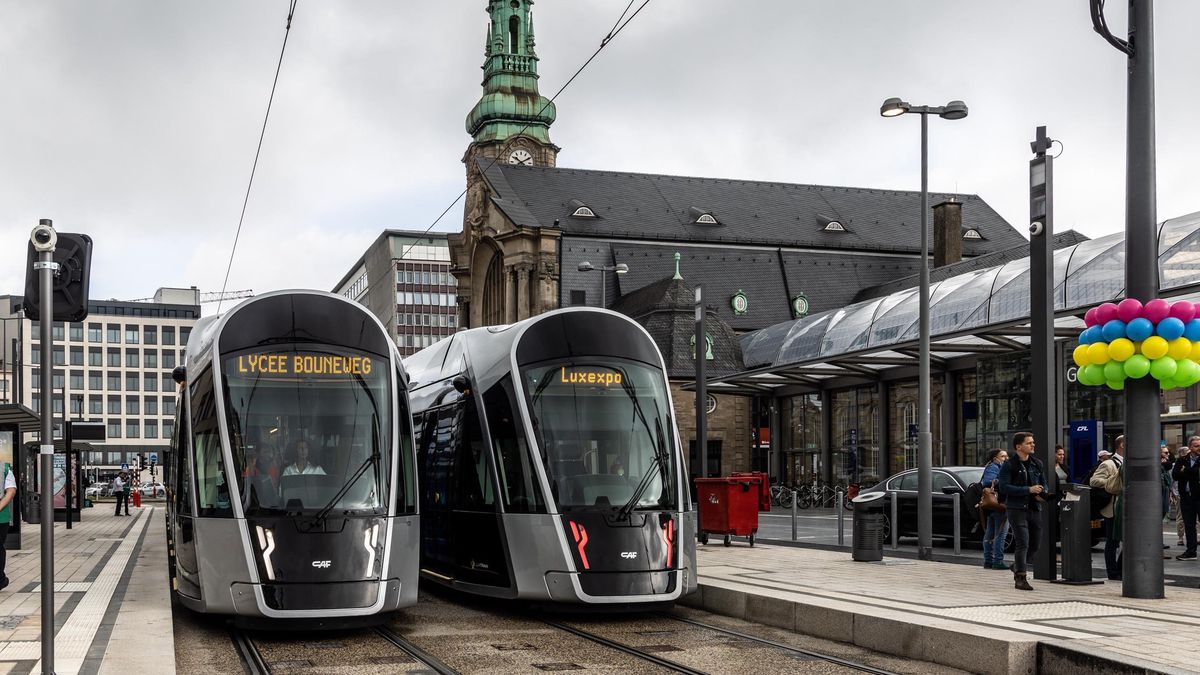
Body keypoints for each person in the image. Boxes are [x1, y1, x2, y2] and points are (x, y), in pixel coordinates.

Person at [997, 431, 1048, 591]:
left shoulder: (1037, 463)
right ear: (1019, 446)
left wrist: (1042, 492)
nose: (1033, 445)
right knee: (1022, 543)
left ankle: (1017, 565)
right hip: (1016, 508)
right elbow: (1004, 487)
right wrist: (1028, 489)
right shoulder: (1009, 464)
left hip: (1034, 508)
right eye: (1029, 443)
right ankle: (1021, 578)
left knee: (1035, 544)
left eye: (1033, 442)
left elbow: (1043, 483)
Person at [1090, 437, 1125, 580]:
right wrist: (1112, 482)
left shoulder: (1130, 461)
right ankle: (1113, 572)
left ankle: (1120, 568)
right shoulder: (1109, 464)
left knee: (1130, 540)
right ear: (1122, 445)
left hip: (1128, 508)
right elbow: (1093, 480)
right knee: (1112, 541)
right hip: (1113, 508)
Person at [1171, 436, 1200, 561]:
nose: (1199, 448)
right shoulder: (1183, 459)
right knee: (1189, 525)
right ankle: (1191, 551)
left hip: (1199, 497)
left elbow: (1197, 473)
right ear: (1190, 447)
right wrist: (1191, 472)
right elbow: (1175, 475)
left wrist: (1186, 471)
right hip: (1186, 497)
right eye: (1196, 446)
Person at [980, 448, 1009, 570]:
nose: (1006, 459)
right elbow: (988, 481)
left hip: (992, 505)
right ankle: (997, 561)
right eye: (1003, 456)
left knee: (990, 533)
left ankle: (988, 561)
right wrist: (1004, 479)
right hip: (998, 504)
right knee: (1000, 533)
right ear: (995, 458)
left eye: (1007, 456)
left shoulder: (993, 466)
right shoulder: (994, 467)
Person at [0, 462, 16, 590]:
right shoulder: (4, 468)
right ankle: (0, 579)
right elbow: (11, 492)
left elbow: (11, 491)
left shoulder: (4, 468)